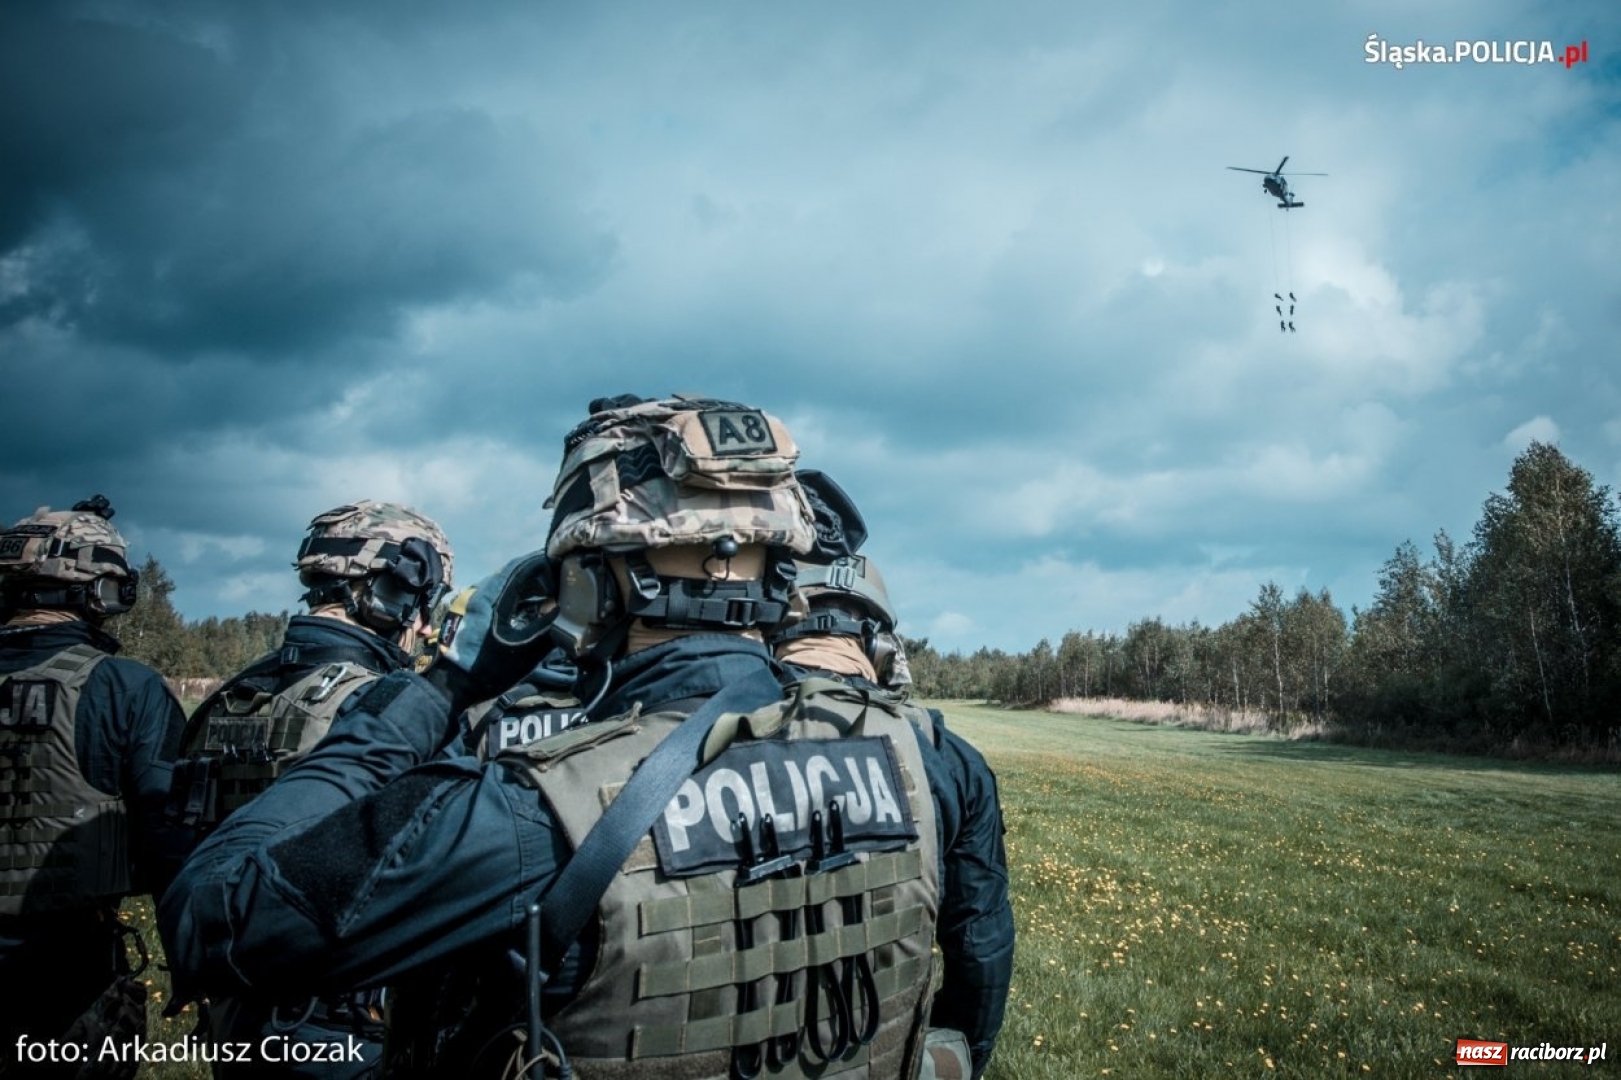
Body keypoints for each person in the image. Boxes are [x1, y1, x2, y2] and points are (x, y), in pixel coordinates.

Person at [158, 395, 978, 1079]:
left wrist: (439, 688)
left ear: (587, 580)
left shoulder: (532, 811)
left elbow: (213, 922)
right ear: (780, 567)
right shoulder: (922, 759)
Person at [168, 500, 453, 1079]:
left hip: (235, 1010)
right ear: (390, 593)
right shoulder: (387, 705)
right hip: (343, 1021)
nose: (425, 627)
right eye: (424, 602)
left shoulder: (230, 697)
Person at [771, 471, 1014, 1080]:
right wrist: (957, 1057)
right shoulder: (949, 760)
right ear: (880, 644)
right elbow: (980, 952)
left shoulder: (712, 735)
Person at [0, 496, 191, 1073]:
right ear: (101, 592)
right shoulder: (123, 688)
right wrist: (194, 962)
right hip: (64, 975)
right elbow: (168, 839)